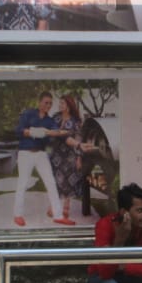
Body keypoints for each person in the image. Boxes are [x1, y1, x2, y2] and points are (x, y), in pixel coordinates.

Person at [13, 91, 65, 227]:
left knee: (51, 182)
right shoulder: (28, 114)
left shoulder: (50, 120)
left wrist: (39, 131)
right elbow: (19, 130)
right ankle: (18, 215)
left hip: (41, 154)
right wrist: (35, 132)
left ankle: (58, 215)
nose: (48, 105)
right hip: (25, 153)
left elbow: (55, 132)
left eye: (50, 103)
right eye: (46, 102)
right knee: (22, 184)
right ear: (40, 102)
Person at [50, 93, 92, 225]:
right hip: (56, 155)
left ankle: (66, 211)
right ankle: (53, 207)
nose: (59, 105)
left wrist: (79, 158)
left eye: (62, 103)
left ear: (68, 106)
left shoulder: (76, 122)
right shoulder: (55, 117)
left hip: (70, 156)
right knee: (56, 181)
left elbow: (79, 140)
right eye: (60, 103)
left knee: (68, 182)